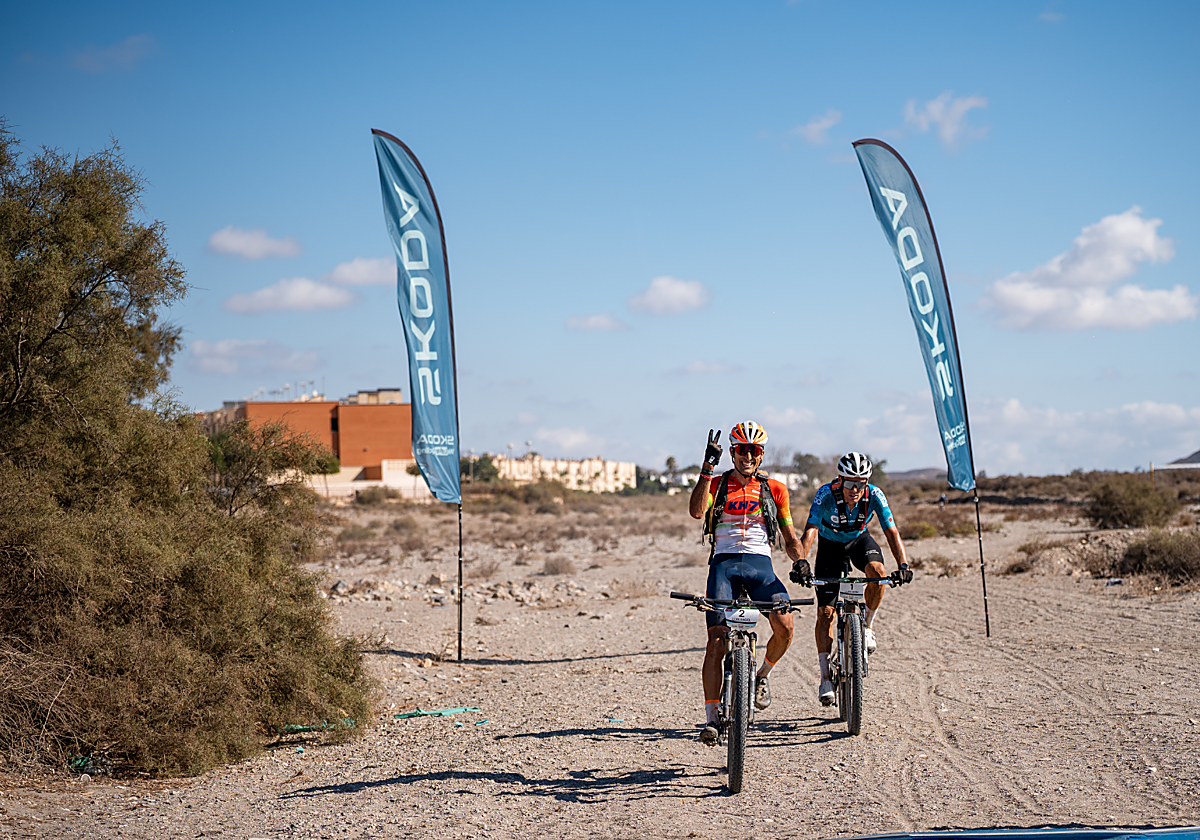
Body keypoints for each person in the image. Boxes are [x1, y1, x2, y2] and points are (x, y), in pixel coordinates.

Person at [688, 421, 807, 745]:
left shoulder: (775, 489)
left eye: (754, 451)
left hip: (760, 566)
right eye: (742, 450)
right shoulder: (718, 484)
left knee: (785, 625)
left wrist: (801, 562)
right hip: (724, 565)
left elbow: (789, 535)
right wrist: (707, 468)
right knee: (716, 641)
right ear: (732, 452)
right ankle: (712, 718)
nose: (748, 456)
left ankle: (762, 676)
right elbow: (697, 512)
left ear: (762, 454)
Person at [790, 452, 912, 706]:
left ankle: (866, 627)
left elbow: (891, 531)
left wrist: (903, 564)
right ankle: (825, 676)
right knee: (825, 613)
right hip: (829, 547)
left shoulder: (875, 495)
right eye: (849, 483)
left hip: (858, 541)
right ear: (840, 480)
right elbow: (810, 529)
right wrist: (801, 561)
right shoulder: (825, 494)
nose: (854, 489)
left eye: (860, 483)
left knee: (878, 573)